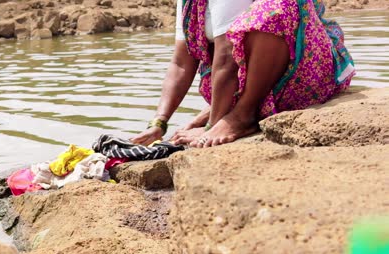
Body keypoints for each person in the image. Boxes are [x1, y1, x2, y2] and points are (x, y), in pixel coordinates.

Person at [131, 0, 355, 148]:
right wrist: (159, 122)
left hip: (304, 68)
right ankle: (225, 109)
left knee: (270, 12)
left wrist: (213, 126)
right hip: (256, 76)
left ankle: (242, 114)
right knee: (207, 47)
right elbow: (181, 63)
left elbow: (227, 56)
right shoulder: (187, 3)